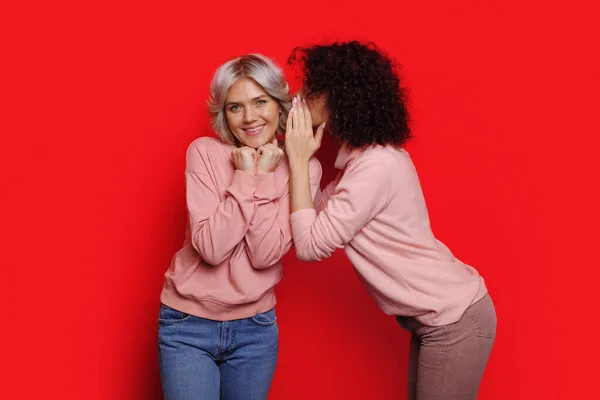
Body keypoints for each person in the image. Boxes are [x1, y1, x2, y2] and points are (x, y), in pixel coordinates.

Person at [284, 41, 496, 400]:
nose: (298, 97)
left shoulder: (375, 168)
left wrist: (299, 160)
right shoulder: (364, 162)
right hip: (441, 321)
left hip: (454, 321)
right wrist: (300, 156)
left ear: (341, 100)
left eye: (312, 90)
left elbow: (308, 245)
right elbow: (315, 212)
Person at [158, 53, 322, 400]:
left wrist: (262, 175)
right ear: (224, 114)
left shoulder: (303, 170)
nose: (249, 117)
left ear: (279, 106)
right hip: (187, 325)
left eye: (260, 102)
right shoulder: (203, 153)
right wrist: (246, 174)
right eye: (235, 107)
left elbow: (263, 255)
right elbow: (212, 249)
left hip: (255, 331)